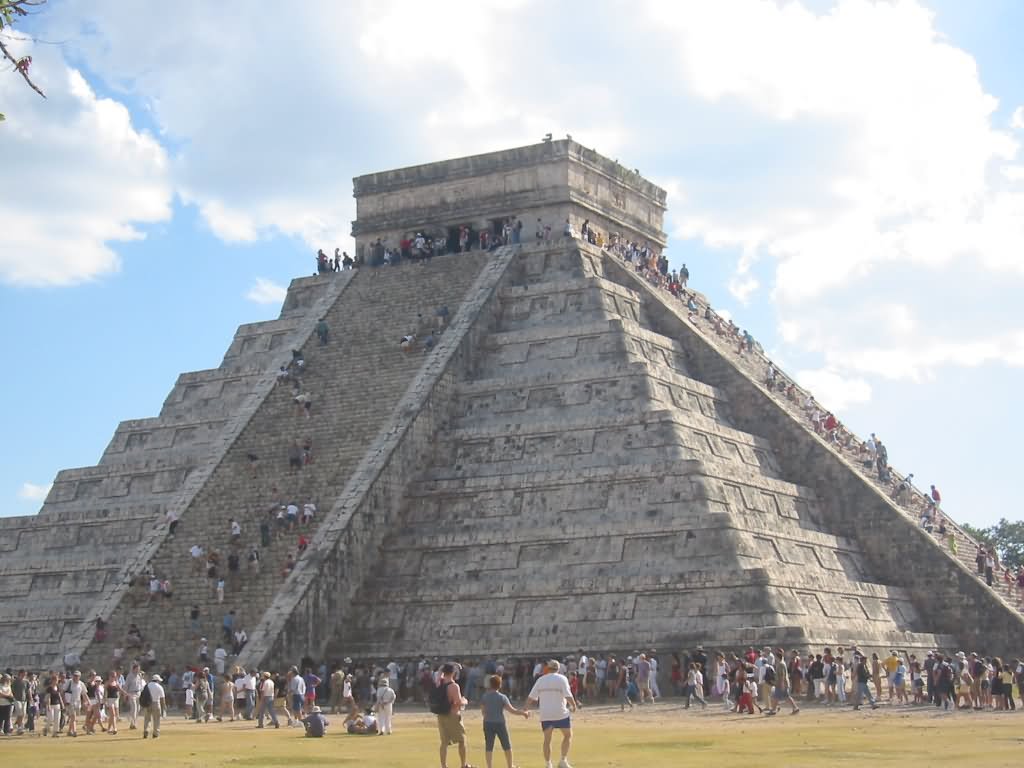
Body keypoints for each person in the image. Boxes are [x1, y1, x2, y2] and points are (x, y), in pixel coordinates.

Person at [528, 659, 577, 768]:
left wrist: (525, 709)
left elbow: (531, 697)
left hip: (546, 714)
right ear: (558, 669)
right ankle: (563, 760)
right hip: (560, 712)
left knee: (547, 739)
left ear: (548, 668)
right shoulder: (562, 679)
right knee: (568, 735)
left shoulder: (541, 680)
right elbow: (568, 695)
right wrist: (573, 705)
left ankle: (548, 764)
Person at [481, 674, 529, 768]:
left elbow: (483, 712)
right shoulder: (502, 697)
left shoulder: (485, 696)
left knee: (489, 746)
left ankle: (489, 766)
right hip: (500, 723)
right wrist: (523, 713)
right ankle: (510, 765)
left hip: (487, 723)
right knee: (506, 745)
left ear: (490, 685)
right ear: (500, 685)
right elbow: (512, 710)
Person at [431, 663, 469, 768]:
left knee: (444, 743)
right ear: (453, 673)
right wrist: (465, 701)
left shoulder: (439, 683)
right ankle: (463, 764)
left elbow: (439, 673)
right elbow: (458, 702)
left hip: (441, 715)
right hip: (452, 715)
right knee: (462, 740)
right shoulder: (454, 686)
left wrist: (443, 667)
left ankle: (443, 765)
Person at [142, 674, 167, 739]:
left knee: (147, 719)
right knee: (156, 719)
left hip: (148, 703)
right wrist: (164, 706)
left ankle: (146, 730)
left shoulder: (147, 685)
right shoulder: (159, 687)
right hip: (156, 703)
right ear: (157, 680)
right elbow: (162, 698)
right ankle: (156, 733)